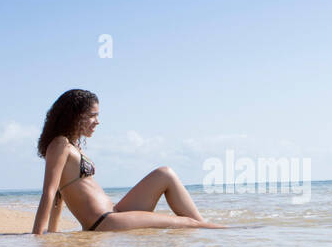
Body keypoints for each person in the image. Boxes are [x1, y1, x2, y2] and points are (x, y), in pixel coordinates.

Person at [31, 89, 225, 234]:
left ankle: (206, 227)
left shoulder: (71, 146)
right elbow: (50, 192)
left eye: (98, 115)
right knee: (188, 223)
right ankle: (226, 232)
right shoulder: (60, 145)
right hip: (105, 221)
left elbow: (59, 195)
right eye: (92, 115)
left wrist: (53, 233)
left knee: (165, 174)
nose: (97, 121)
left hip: (115, 212)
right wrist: (38, 236)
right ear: (74, 116)